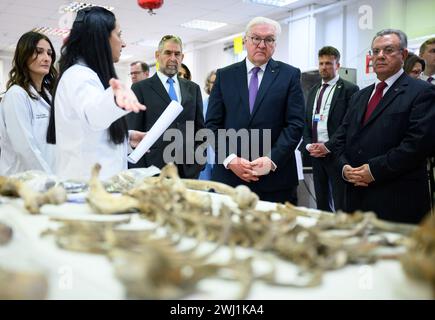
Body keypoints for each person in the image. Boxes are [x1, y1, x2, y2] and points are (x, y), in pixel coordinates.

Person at [328, 29, 435, 224]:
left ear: (403, 55)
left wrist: (374, 170)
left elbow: (417, 145)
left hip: (397, 200)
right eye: (375, 51)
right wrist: (344, 168)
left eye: (388, 50)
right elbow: (340, 138)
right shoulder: (359, 96)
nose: (380, 56)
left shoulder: (423, 92)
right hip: (355, 199)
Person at [206, 17, 305, 204]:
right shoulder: (224, 75)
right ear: (245, 41)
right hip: (230, 180)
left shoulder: (289, 75)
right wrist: (230, 158)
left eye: (269, 39)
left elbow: (296, 124)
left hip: (276, 180)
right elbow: (212, 124)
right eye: (256, 38)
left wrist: (272, 160)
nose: (262, 44)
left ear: (275, 44)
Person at [46, 7, 145, 180]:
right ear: (102, 38)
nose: (123, 43)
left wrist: (126, 137)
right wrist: (116, 101)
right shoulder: (79, 75)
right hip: (87, 187)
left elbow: (88, 132)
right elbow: (93, 115)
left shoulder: (86, 74)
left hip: (95, 184)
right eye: (119, 35)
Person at [128, 35, 204, 178]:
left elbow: (199, 128)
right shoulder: (140, 88)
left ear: (182, 57)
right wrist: (139, 172)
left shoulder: (193, 88)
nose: (173, 58)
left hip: (188, 169)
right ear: (158, 55)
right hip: (154, 169)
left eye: (177, 54)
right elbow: (134, 131)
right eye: (168, 53)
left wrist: (199, 160)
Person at [301, 46, 359, 212]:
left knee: (342, 202)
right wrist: (308, 145)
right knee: (322, 200)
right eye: (321, 63)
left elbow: (349, 125)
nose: (324, 67)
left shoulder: (349, 89)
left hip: (338, 154)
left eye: (328, 63)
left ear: (337, 65)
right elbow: (306, 122)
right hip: (316, 155)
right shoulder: (313, 91)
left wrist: (328, 146)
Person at [0, 31, 57, 175]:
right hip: (23, 181)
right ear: (24, 56)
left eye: (49, 54)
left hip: (46, 177)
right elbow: (25, 148)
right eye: (39, 52)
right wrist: (49, 180)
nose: (46, 58)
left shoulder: (49, 95)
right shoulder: (16, 95)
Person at [198, 70, 216, 180]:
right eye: (213, 82)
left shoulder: (229, 105)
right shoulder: (202, 104)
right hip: (203, 151)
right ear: (208, 84)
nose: (216, 85)